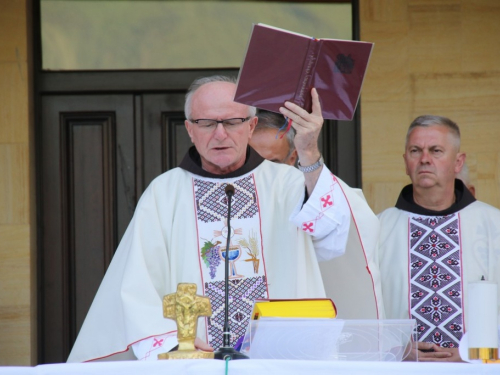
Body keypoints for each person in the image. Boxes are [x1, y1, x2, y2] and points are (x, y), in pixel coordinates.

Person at [67, 75, 353, 362]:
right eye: (206, 123)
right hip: (194, 365)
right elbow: (135, 287)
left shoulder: (287, 183)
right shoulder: (164, 194)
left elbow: (331, 233)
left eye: (231, 122)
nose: (219, 134)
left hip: (280, 359)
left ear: (251, 126)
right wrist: (174, 345)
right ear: (190, 129)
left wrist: (308, 151)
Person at [377, 115, 500, 362]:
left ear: (458, 162)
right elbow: (362, 311)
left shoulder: (493, 224)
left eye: (436, 150)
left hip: (479, 368)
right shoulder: (378, 228)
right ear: (405, 162)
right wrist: (396, 351)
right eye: (415, 150)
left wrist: (472, 354)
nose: (424, 159)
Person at [247, 110, 384, 321]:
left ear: (292, 157)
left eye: (272, 163)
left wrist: (309, 152)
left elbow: (354, 229)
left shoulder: (314, 196)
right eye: (255, 163)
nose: (264, 174)